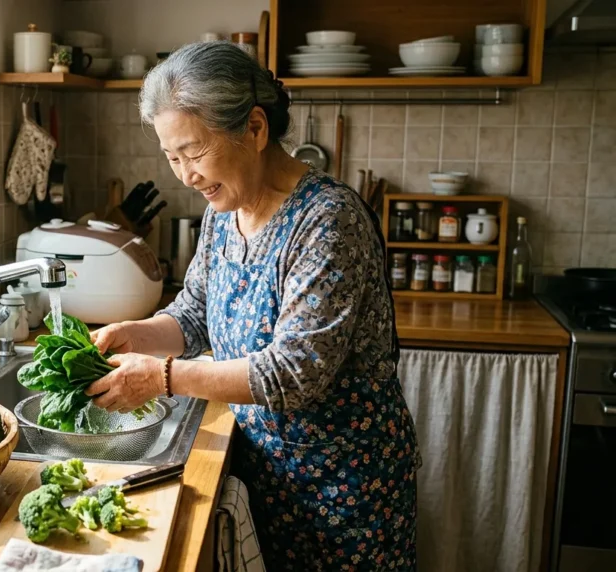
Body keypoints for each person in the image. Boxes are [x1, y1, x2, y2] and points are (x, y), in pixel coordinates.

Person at [86, 42, 421, 571]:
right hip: (265, 474)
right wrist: (139, 333)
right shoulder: (224, 212)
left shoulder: (328, 221)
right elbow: (194, 312)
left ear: (255, 130)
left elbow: (294, 374)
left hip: (345, 491)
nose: (185, 175)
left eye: (194, 152)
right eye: (172, 158)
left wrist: (162, 377)